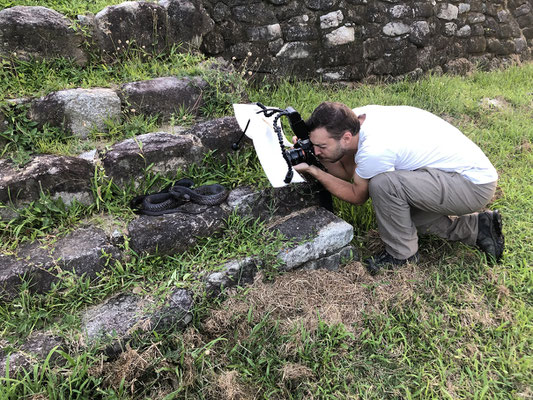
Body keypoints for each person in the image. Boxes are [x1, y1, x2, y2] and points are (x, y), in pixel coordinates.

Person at [292, 102, 504, 275]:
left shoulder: (374, 149)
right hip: (456, 175)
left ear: (346, 137)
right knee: (398, 212)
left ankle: (402, 256)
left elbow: (357, 195)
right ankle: (478, 228)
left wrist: (316, 172)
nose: (318, 151)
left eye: (321, 147)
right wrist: (313, 152)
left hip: (472, 185)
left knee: (384, 185)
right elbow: (350, 170)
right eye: (314, 145)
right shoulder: (355, 120)